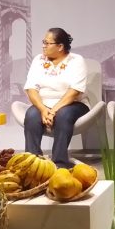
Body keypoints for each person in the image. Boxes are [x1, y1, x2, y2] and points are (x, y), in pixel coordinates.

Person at [23, 28, 89, 168]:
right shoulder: (38, 60)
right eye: (43, 42)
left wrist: (53, 111)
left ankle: (59, 163)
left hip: (73, 104)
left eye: (47, 43)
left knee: (63, 115)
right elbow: (31, 88)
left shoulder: (76, 60)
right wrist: (42, 109)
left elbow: (74, 91)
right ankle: (32, 163)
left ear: (60, 46)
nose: (43, 46)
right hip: (44, 104)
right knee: (31, 115)